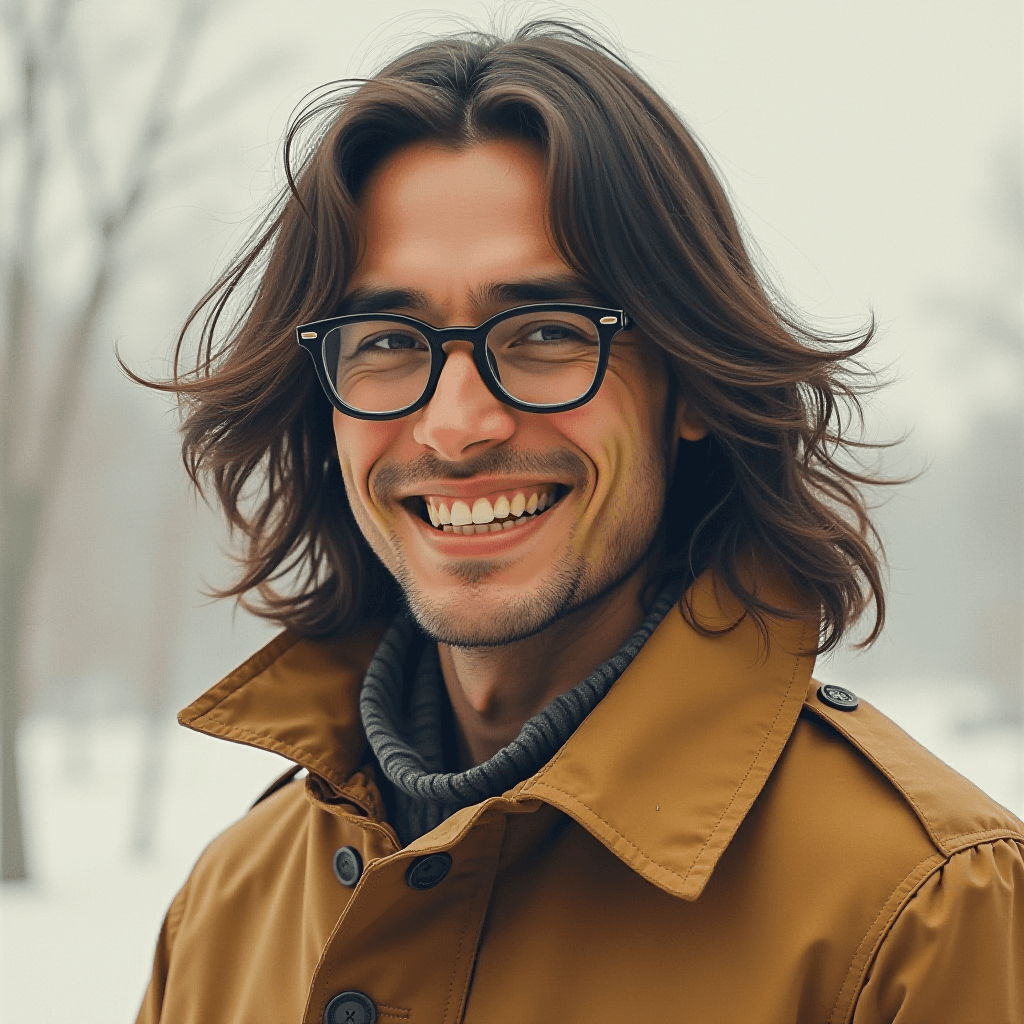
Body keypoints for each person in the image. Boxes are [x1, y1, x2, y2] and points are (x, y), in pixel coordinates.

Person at [134, 22, 1023, 1024]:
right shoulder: (226, 910)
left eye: (547, 334)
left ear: (687, 382)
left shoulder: (924, 908)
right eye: (386, 339)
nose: (456, 427)